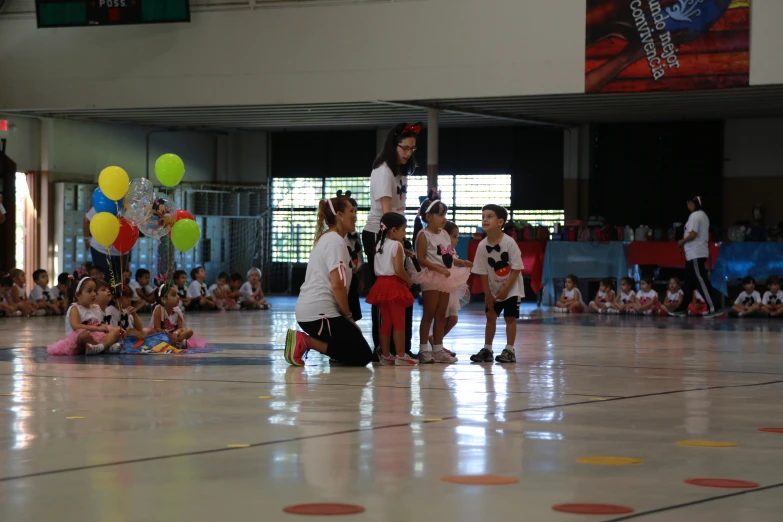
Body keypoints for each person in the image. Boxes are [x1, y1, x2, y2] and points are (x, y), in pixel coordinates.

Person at [285, 195, 373, 367]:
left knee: (354, 347)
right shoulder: (335, 242)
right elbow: (337, 285)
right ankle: (304, 341)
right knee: (362, 355)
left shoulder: (331, 238)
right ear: (339, 215)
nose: (355, 215)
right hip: (318, 315)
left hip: (316, 312)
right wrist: (348, 317)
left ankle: (331, 347)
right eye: (351, 211)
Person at [362, 123, 420, 357]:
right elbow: (387, 215)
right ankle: (382, 348)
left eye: (412, 149)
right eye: (404, 148)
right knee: (385, 294)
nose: (408, 153)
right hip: (381, 234)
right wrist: (397, 243)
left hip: (396, 233)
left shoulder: (400, 170)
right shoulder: (383, 170)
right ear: (393, 145)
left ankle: (402, 349)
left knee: (402, 293)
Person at [412, 198, 469, 364]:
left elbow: (449, 256)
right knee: (429, 313)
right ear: (428, 217)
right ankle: (423, 349)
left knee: (441, 314)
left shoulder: (444, 234)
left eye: (445, 214)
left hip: (445, 277)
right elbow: (420, 258)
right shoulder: (423, 235)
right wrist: (437, 269)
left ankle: (437, 349)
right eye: (441, 214)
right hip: (431, 277)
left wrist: (460, 262)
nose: (444, 218)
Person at [469, 204, 525, 364]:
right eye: (483, 216)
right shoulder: (481, 245)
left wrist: (507, 289)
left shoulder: (509, 242)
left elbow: (516, 268)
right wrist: (487, 294)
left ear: (500, 222)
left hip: (511, 288)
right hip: (493, 289)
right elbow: (482, 271)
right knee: (490, 316)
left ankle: (509, 350)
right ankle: (487, 349)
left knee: (510, 318)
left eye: (489, 216)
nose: (485, 219)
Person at [365, 212, 416, 366]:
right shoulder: (396, 245)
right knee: (399, 321)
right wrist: (410, 282)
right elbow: (399, 270)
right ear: (394, 230)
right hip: (394, 285)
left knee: (386, 322)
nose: (405, 233)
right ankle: (401, 355)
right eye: (404, 230)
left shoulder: (380, 244)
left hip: (381, 284)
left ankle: (385, 355)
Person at [46, 277, 123, 355]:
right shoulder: (75, 308)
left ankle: (99, 347)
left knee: (117, 329)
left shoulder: (96, 307)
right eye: (89, 291)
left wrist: (111, 328)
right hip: (78, 340)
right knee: (83, 336)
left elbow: (99, 323)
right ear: (78, 295)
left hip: (96, 336)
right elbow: (76, 326)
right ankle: (105, 347)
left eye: (94, 291)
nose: (93, 294)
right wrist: (97, 328)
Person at [678, 195, 720, 317]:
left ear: (691, 203)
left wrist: (682, 242)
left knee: (701, 280)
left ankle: (714, 307)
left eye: (688, 204)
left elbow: (692, 234)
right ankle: (682, 307)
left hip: (695, 253)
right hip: (693, 254)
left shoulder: (695, 215)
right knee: (689, 283)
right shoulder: (703, 215)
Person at [435, 222, 471, 356]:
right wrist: (462, 262)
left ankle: (436, 341)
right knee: (442, 318)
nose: (457, 240)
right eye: (455, 237)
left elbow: (454, 260)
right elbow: (449, 261)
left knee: (453, 319)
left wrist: (462, 262)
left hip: (452, 290)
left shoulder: (452, 251)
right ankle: (438, 345)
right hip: (443, 287)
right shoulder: (440, 249)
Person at [83, 206, 129, 278]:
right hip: (100, 249)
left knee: (120, 282)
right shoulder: (104, 203)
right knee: (102, 281)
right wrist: (86, 239)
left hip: (122, 250)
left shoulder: (129, 206)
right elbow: (87, 219)